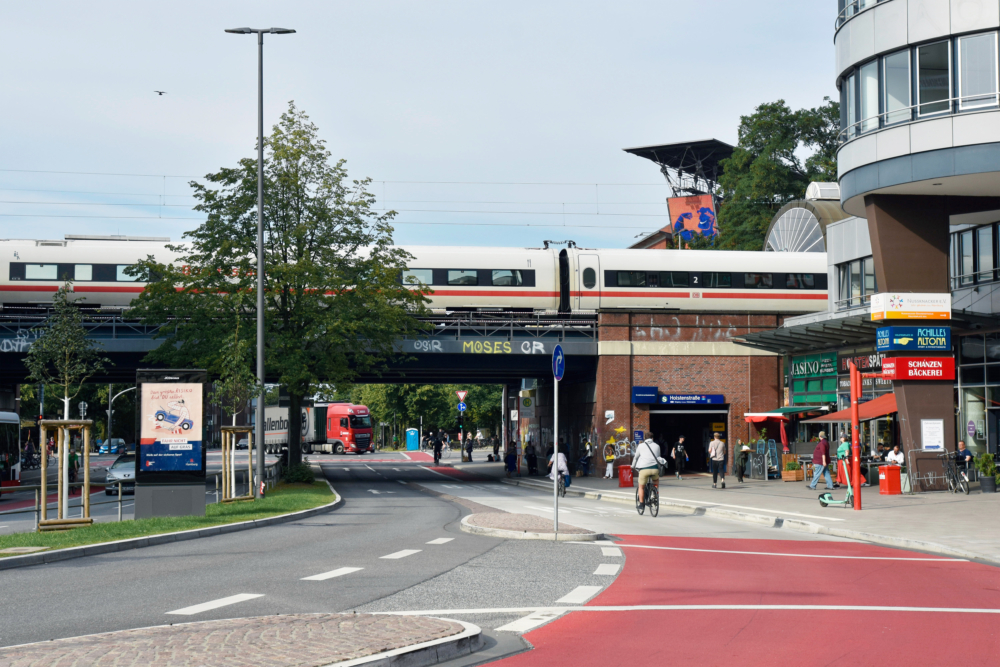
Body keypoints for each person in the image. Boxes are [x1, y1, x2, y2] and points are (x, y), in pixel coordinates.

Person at [633, 437, 666, 505]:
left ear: (645, 438)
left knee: (641, 487)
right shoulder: (657, 446)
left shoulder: (641, 445)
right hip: (655, 469)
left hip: (644, 469)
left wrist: (632, 466)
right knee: (655, 481)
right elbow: (658, 456)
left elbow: (636, 457)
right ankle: (654, 494)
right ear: (652, 438)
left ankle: (641, 504)